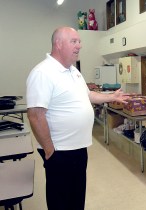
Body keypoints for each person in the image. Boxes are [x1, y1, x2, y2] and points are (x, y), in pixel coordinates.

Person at [26, 26, 129, 210]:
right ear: (58, 44)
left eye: (79, 41)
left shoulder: (73, 71)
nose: (79, 46)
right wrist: (50, 151)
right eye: (74, 41)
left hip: (78, 148)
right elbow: (35, 115)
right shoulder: (43, 73)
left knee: (76, 197)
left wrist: (111, 97)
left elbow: (87, 95)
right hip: (59, 151)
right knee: (60, 200)